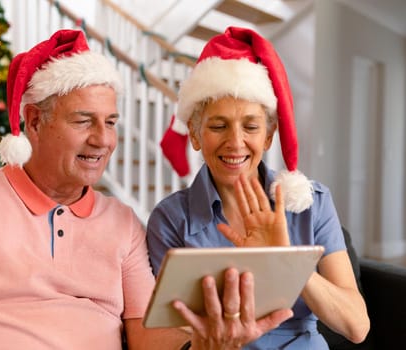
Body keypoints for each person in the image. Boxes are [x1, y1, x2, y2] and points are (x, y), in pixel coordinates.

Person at [0, 29, 292, 350]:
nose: (103, 140)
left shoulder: (124, 224)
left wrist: (206, 343)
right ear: (35, 122)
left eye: (110, 122)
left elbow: (149, 337)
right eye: (83, 121)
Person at [147, 26, 370, 349]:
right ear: (195, 135)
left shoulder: (314, 202)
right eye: (218, 126)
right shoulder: (170, 219)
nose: (235, 143)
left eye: (250, 126)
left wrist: (287, 261)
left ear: (268, 135)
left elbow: (356, 326)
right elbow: (173, 336)